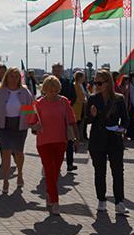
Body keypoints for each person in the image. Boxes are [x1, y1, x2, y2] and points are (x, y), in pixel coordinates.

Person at [32, 75, 79, 215]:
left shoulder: (64, 102)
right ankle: (55, 201)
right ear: (44, 90)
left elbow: (72, 120)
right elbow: (30, 121)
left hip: (60, 140)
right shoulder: (37, 103)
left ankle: (49, 192)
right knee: (49, 170)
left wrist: (77, 139)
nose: (52, 93)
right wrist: (34, 125)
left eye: (55, 90)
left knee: (55, 171)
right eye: (50, 90)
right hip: (43, 142)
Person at [85, 69, 129, 215]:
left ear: (108, 83)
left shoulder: (119, 98)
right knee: (99, 172)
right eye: (95, 82)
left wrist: (121, 129)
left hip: (114, 139)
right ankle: (101, 200)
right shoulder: (93, 99)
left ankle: (119, 202)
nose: (96, 85)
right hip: (97, 139)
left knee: (118, 171)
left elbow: (126, 119)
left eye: (99, 83)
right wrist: (92, 115)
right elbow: (87, 120)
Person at [0, 67, 34, 194]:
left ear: (20, 78)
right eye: (11, 76)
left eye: (16, 77)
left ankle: (20, 173)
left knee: (18, 153)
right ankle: (5, 180)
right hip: (4, 126)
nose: (14, 79)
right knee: (6, 152)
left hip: (20, 126)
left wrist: (34, 125)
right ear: (6, 77)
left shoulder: (24, 92)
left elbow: (30, 110)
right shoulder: (0, 92)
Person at [51, 63, 78, 172]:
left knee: (69, 140)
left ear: (62, 71)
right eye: (55, 70)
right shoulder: (48, 83)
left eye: (59, 70)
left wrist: (67, 106)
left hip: (65, 116)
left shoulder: (68, 83)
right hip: (51, 118)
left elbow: (74, 97)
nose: (57, 72)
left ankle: (70, 164)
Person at [72, 71, 88, 141]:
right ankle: (76, 138)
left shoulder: (80, 84)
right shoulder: (75, 85)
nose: (84, 78)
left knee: (80, 122)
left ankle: (80, 137)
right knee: (77, 122)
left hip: (81, 106)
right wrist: (84, 100)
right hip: (77, 107)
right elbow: (77, 96)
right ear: (79, 77)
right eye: (83, 77)